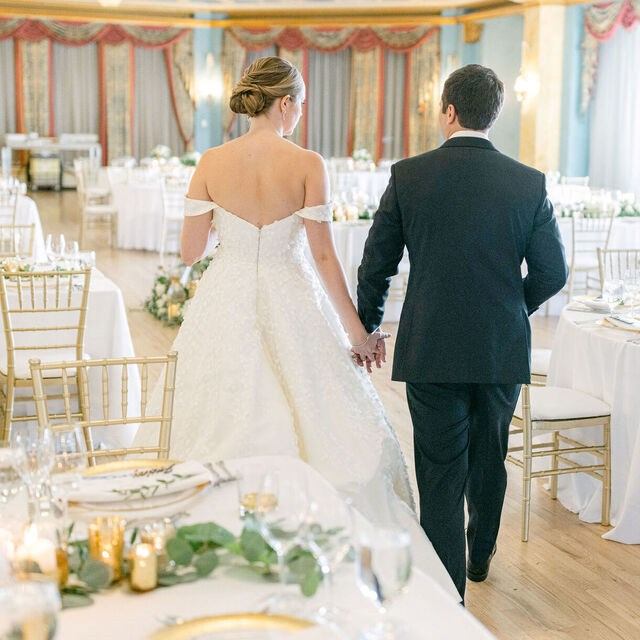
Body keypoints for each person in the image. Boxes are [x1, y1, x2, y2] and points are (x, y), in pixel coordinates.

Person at [133, 56, 459, 597]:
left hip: (227, 293)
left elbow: (190, 252)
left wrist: (227, 231)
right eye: (299, 106)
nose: (300, 114)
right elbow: (325, 259)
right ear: (285, 103)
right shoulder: (308, 162)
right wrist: (358, 333)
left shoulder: (212, 160)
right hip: (292, 292)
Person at [356, 64, 568, 601]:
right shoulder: (529, 182)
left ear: (448, 111)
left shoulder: (410, 174)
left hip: (432, 346)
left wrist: (369, 324)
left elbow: (375, 264)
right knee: (489, 455)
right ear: (494, 115)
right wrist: (510, 307)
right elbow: (553, 273)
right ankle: (481, 555)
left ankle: (448, 593)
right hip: (500, 347)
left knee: (439, 467)